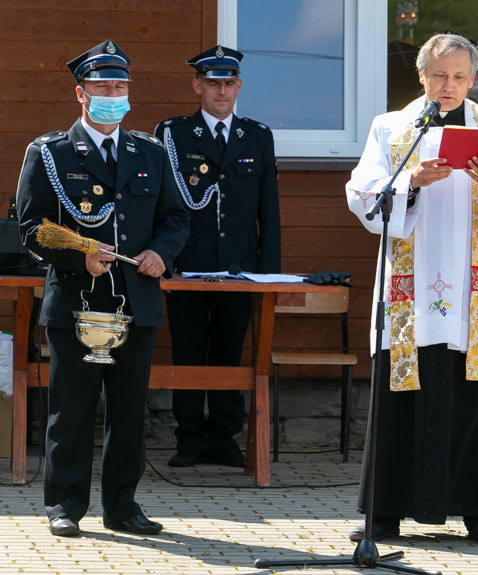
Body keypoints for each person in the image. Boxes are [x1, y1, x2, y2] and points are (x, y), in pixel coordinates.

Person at [345, 33, 478, 547]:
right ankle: (384, 513)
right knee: (398, 395)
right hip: (409, 287)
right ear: (421, 76)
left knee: (476, 397)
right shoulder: (391, 129)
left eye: (458, 76)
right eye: (439, 75)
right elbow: (362, 193)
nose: (448, 85)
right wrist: (410, 180)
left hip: (474, 294)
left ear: (473, 79)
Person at [16, 39, 190, 537]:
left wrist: (162, 252)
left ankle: (122, 506)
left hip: (136, 300)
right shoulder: (48, 152)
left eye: (120, 86)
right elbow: (31, 228)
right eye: (102, 86)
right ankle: (64, 506)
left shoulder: (151, 152)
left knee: (129, 410)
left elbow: (176, 218)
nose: (113, 93)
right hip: (76, 302)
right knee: (70, 408)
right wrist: (78, 258)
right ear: (81, 93)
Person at [154, 45, 281, 468]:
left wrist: (270, 274)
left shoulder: (257, 136)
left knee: (230, 349)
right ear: (198, 86)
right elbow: (161, 202)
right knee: (188, 349)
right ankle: (189, 437)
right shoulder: (172, 134)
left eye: (229, 83)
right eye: (213, 83)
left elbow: (269, 210)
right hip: (187, 265)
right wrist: (163, 256)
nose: (221, 91)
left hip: (239, 268)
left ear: (239, 86)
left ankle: (225, 437)